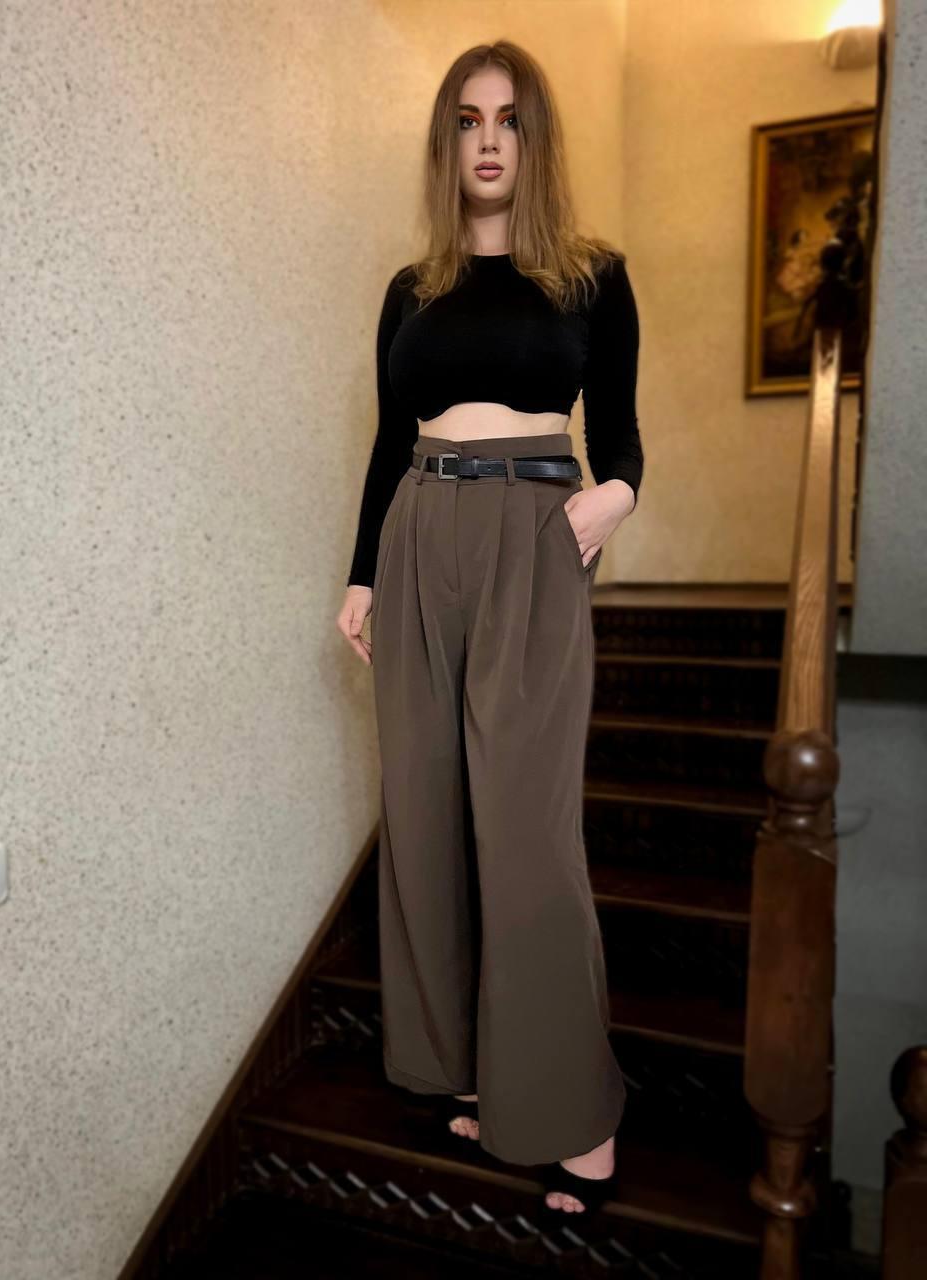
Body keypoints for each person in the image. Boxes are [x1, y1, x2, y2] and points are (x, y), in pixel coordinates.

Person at [335, 39, 642, 1221]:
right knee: (425, 814)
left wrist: (615, 496)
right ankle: (468, 1072)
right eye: (467, 119)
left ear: (535, 137)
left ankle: (576, 1112)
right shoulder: (409, 289)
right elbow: (385, 439)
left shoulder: (591, 275)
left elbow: (618, 429)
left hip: (532, 533)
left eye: (508, 118)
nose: (488, 140)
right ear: (446, 140)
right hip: (420, 532)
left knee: (525, 829)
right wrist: (362, 576)